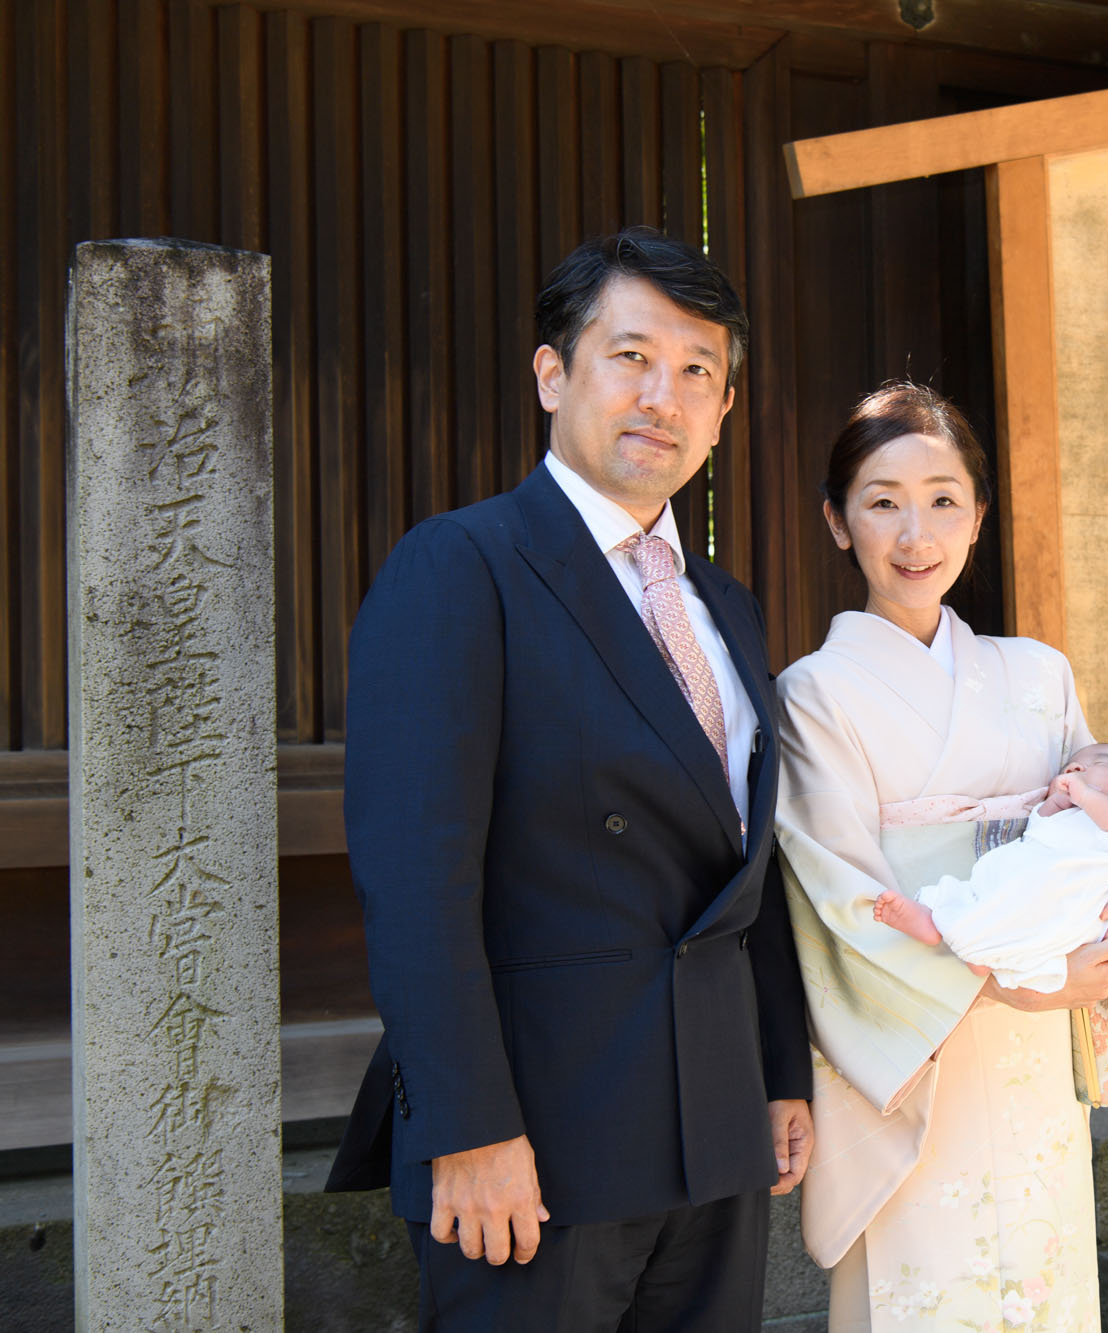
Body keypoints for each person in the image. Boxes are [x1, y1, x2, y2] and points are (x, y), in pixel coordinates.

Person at [325, 227, 813, 1332]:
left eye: (698, 372)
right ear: (553, 374)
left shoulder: (721, 605)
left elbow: (751, 865)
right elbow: (415, 879)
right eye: (630, 357)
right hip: (537, 1140)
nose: (664, 397)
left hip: (714, 1125)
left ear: (724, 410)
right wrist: (464, 1127)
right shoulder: (463, 565)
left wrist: (781, 1070)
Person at [774, 382, 1108, 1331]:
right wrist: (1008, 984)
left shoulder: (1039, 675)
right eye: (881, 501)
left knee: (1038, 1270)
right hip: (922, 1043)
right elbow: (839, 900)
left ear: (978, 517)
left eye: (942, 499)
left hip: (1038, 1038)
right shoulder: (814, 696)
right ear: (838, 523)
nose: (914, 533)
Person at [872, 743, 1108, 992]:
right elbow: (1040, 827)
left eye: (1099, 763)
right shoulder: (1077, 814)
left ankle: (986, 957)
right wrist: (1054, 805)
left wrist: (1085, 794)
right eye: (1071, 766)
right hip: (1024, 881)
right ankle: (937, 920)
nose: (1076, 769)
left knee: (1043, 946)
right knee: (971, 893)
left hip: (1071, 902)